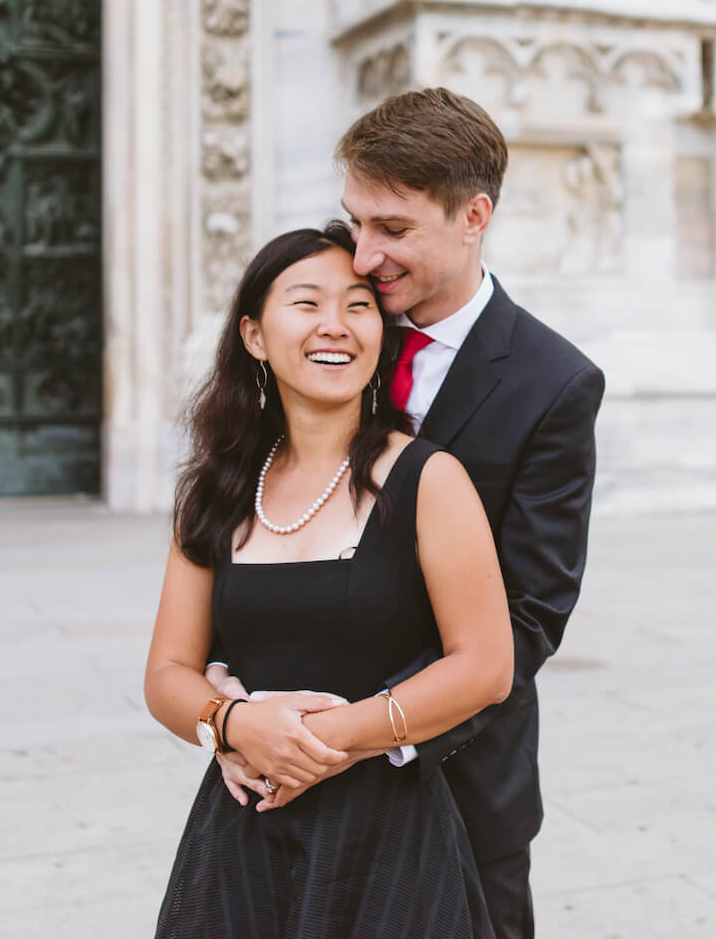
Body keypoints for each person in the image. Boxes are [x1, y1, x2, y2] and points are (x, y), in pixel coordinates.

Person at [207, 87, 606, 938]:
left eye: (393, 229)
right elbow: (259, 519)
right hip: (275, 777)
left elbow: (530, 616)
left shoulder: (553, 383)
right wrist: (228, 696)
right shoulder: (330, 328)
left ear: (474, 217)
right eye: (355, 222)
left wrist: (349, 737)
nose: (361, 256)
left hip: (452, 785)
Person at [144, 222, 513, 937]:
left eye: (358, 305)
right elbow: (166, 672)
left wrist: (318, 742)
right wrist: (233, 724)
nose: (334, 327)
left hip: (390, 840)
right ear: (254, 335)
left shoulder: (427, 478)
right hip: (243, 835)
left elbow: (486, 667)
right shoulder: (217, 490)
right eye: (306, 304)